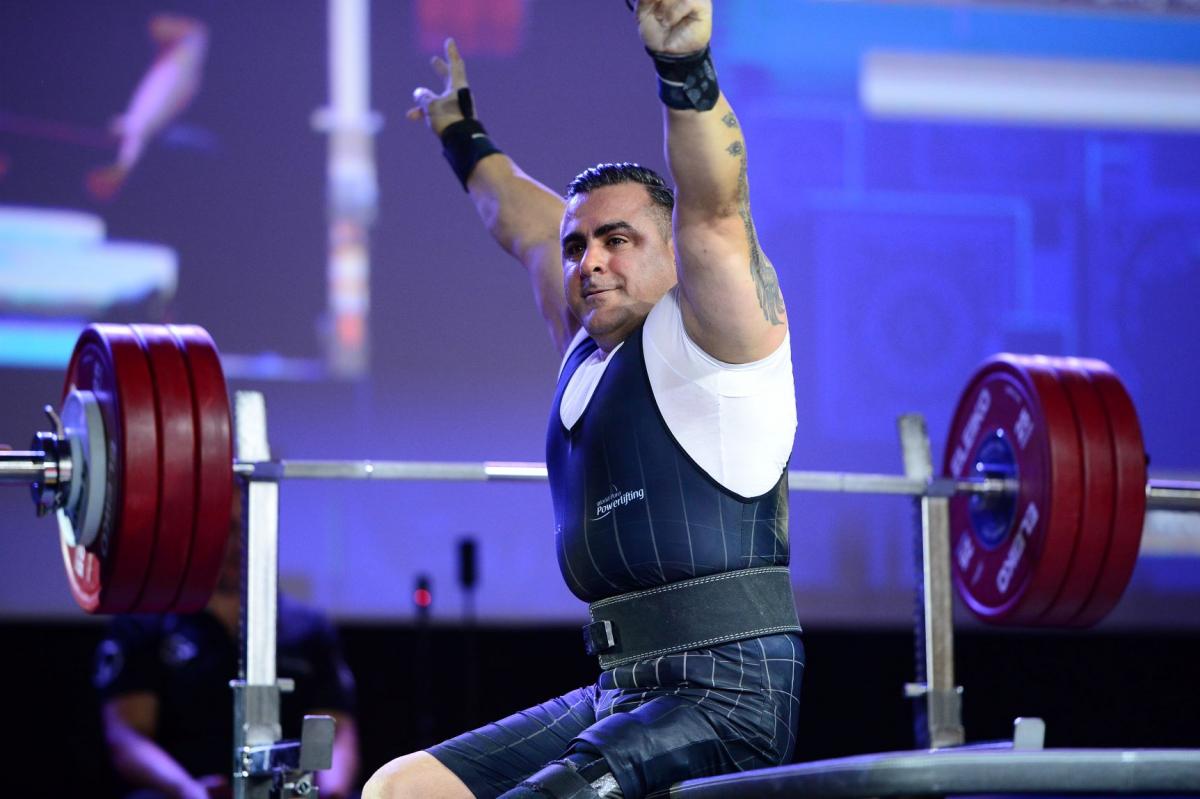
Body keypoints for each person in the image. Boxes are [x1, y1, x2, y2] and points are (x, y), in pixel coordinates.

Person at [366, 1, 801, 797]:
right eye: (580, 247)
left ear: (673, 253)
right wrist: (462, 133)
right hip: (620, 687)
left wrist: (684, 65)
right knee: (400, 787)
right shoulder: (586, 339)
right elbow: (523, 223)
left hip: (727, 695)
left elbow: (715, 205)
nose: (590, 262)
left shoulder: (718, 331)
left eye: (617, 241)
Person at [93, 498, 360, 799]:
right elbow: (128, 735)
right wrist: (187, 790)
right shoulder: (144, 624)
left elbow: (337, 731)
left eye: (245, 527)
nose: (236, 543)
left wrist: (330, 794)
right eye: (225, 529)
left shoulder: (308, 628)